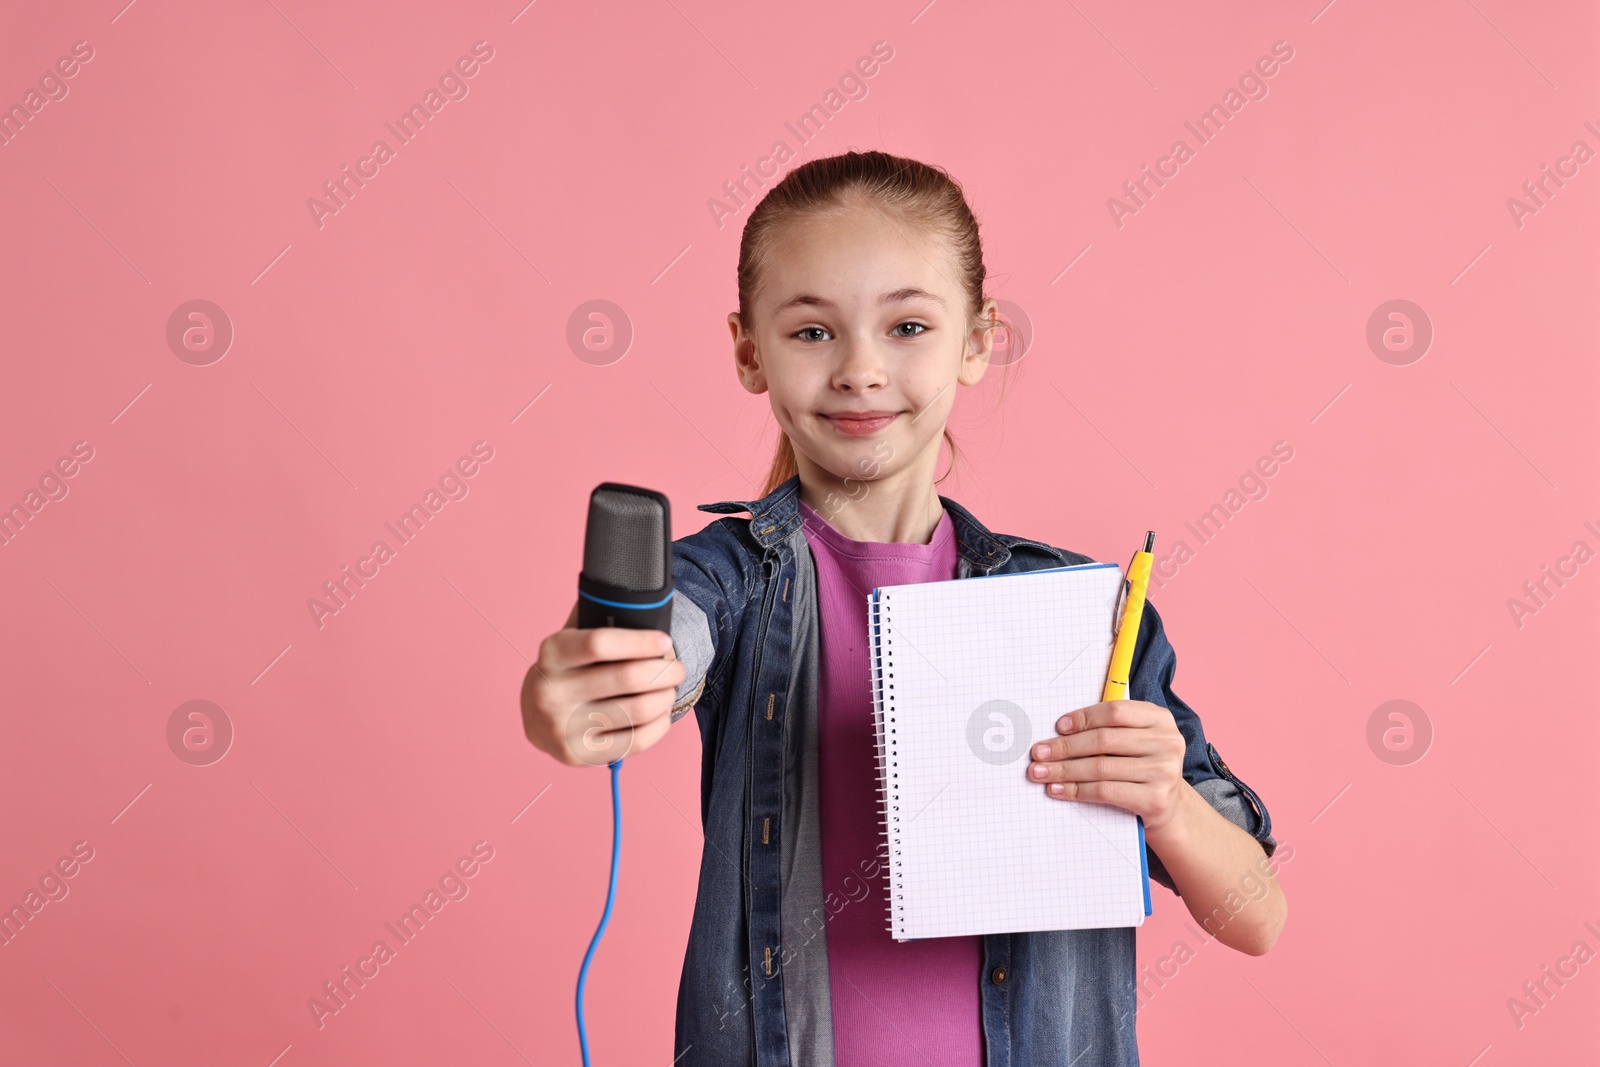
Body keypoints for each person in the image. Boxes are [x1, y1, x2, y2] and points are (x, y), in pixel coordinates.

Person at [521, 149, 1286, 1066]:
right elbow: (660, 637)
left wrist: (1164, 802)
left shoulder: (1084, 618)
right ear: (747, 350)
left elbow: (1257, 917)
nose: (860, 371)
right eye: (812, 332)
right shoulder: (733, 579)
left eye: (908, 326)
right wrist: (582, 688)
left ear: (976, 340)